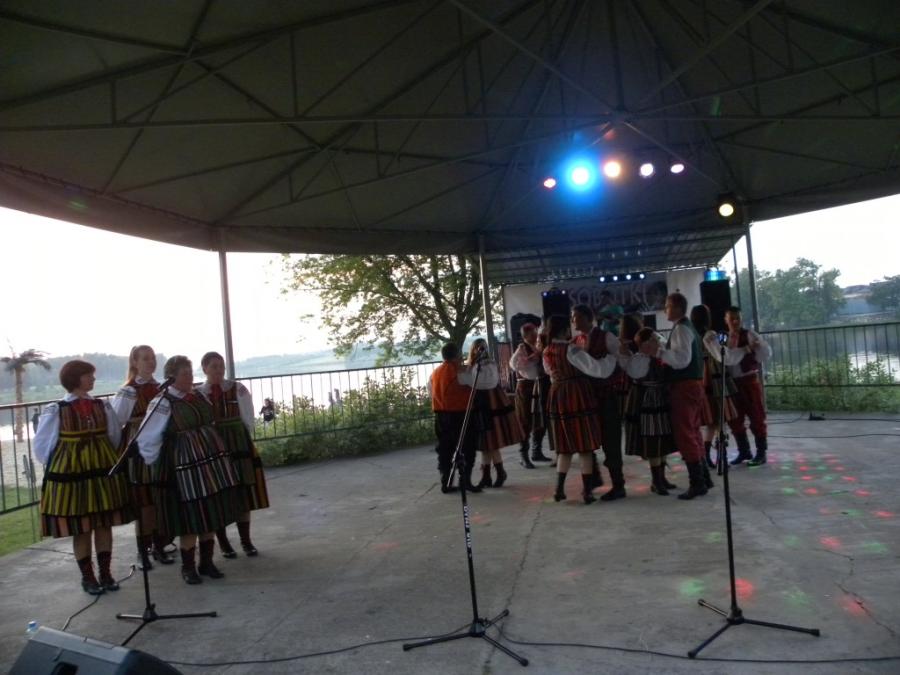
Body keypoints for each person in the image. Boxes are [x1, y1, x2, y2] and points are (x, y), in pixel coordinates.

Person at [139, 355, 244, 584]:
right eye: (185, 374)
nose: (189, 377)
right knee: (191, 517)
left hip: (209, 461)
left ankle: (206, 562)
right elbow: (148, 438)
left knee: (210, 511)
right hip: (183, 466)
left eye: (190, 372)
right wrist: (156, 466)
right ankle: (188, 568)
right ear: (171, 377)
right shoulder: (163, 402)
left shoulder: (197, 395)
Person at [33, 360, 134, 594]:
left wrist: (101, 454)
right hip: (73, 475)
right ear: (75, 378)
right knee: (82, 527)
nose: (93, 379)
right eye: (89, 375)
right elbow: (43, 446)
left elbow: (113, 435)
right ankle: (88, 577)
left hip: (100, 471)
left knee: (104, 523)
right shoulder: (56, 409)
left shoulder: (102, 405)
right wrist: (64, 461)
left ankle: (106, 573)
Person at [198, 352, 270, 558]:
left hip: (237, 443)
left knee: (242, 490)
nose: (219, 370)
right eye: (214, 366)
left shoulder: (237, 388)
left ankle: (246, 540)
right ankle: (223, 542)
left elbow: (248, 417)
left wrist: (243, 439)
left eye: (221, 366)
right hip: (213, 445)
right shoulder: (199, 393)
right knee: (219, 493)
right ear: (204, 369)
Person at [110, 345, 174, 569]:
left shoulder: (161, 388)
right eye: (145, 358)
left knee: (158, 499)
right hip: (138, 446)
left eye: (152, 358)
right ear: (134, 363)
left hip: (161, 445)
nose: (150, 362)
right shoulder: (129, 390)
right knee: (144, 501)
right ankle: (143, 551)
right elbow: (116, 421)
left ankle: (159, 545)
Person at [642, 292, 709, 500]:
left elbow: (682, 360)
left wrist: (658, 352)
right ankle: (704, 477)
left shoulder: (681, 329)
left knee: (685, 434)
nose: (665, 309)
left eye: (668, 306)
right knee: (694, 431)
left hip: (684, 385)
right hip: (692, 385)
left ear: (678, 308)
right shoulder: (687, 328)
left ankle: (697, 483)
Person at [542, 315, 606, 504]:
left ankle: (559, 490)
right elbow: (593, 367)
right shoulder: (571, 349)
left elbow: (549, 372)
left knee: (565, 448)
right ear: (565, 331)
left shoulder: (546, 350)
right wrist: (609, 361)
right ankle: (587, 492)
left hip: (558, 395)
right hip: (577, 395)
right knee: (584, 446)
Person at [571, 304, 626, 501]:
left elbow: (621, 359)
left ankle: (618, 485)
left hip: (606, 396)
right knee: (587, 439)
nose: (574, 320)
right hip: (585, 398)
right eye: (573, 317)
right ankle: (593, 478)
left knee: (611, 440)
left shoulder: (606, 337)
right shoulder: (575, 342)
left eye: (577, 316)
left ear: (589, 318)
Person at [429, 342, 497, 493]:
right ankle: (465, 481)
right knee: (467, 449)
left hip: (440, 415)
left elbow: (430, 391)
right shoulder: (459, 372)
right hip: (460, 414)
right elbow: (487, 384)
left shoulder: (435, 373)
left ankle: (446, 482)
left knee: (445, 450)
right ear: (457, 355)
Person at [621, 328, 679, 495]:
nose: (658, 342)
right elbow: (635, 373)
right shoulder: (639, 360)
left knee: (662, 437)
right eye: (654, 340)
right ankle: (656, 480)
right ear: (644, 344)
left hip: (660, 399)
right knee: (653, 438)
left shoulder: (659, 356)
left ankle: (662, 478)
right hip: (648, 402)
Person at [467, 339, 521, 488]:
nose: (481, 350)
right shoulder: (474, 365)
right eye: (478, 348)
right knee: (486, 444)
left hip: (491, 404)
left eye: (483, 347)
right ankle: (489, 475)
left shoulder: (488, 365)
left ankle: (495, 474)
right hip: (481, 404)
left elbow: (487, 382)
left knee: (490, 443)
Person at [690, 306, 739, 470]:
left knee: (713, 420)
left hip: (701, 376)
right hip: (713, 377)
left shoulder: (692, 335)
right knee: (719, 418)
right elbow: (720, 354)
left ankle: (708, 456)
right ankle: (720, 457)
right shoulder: (709, 335)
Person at [724, 306, 773, 466]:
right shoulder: (724, 338)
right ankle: (744, 451)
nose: (735, 321)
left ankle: (761, 453)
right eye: (732, 318)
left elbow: (766, 354)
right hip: (732, 383)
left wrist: (758, 347)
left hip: (749, 380)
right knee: (735, 419)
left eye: (737, 318)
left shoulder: (750, 334)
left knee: (756, 417)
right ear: (726, 320)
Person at [509, 323, 552, 469]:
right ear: (525, 335)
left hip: (539, 385)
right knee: (525, 420)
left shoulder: (540, 345)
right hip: (526, 387)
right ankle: (524, 456)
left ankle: (536, 451)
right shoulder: (522, 348)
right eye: (532, 333)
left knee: (541, 419)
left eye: (536, 332)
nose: (535, 335)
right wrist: (532, 358)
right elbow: (513, 364)